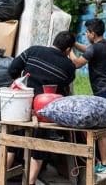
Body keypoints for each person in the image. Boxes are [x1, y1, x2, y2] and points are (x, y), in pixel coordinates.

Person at [7, 31, 76, 185]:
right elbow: (64, 87)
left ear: (54, 41)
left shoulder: (34, 50)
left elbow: (12, 69)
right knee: (40, 146)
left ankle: (2, 177)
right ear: (68, 50)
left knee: (12, 143)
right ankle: (30, 182)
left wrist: (21, 83)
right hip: (44, 110)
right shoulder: (69, 66)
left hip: (22, 105)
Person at [70, 18, 106, 174]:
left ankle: (105, 164)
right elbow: (88, 49)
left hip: (104, 91)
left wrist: (69, 51)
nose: (86, 34)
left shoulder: (94, 49)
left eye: (87, 32)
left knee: (103, 127)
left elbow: (77, 63)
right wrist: (75, 44)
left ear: (92, 34)